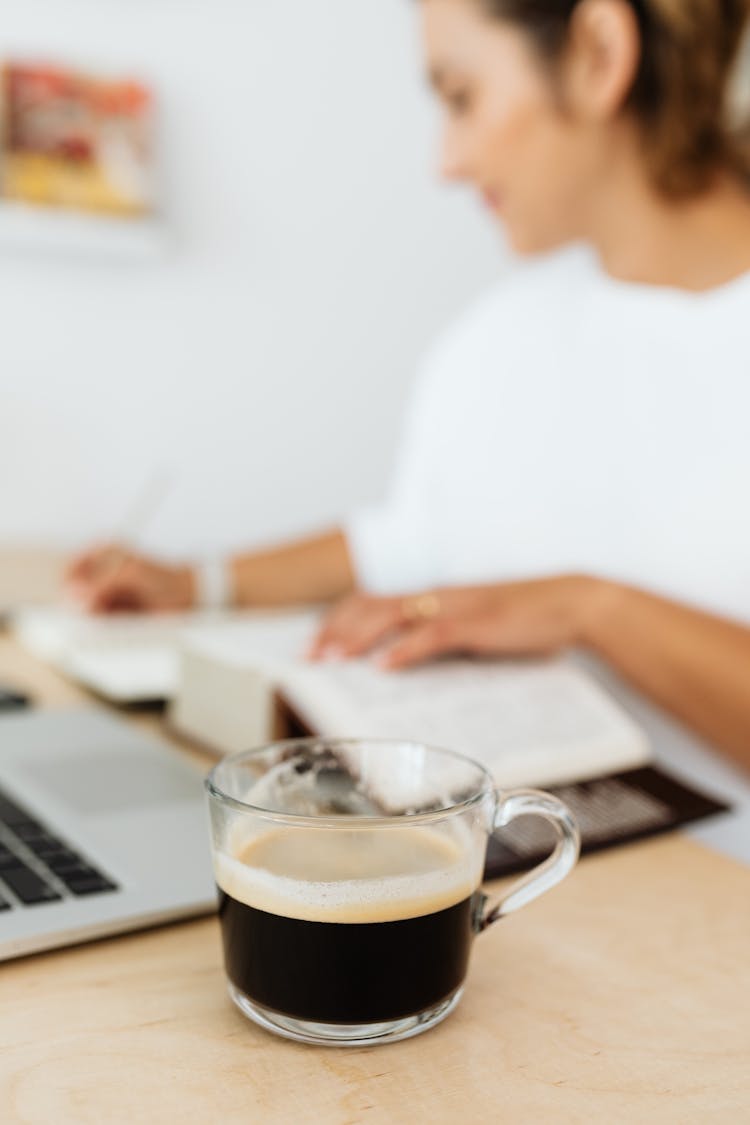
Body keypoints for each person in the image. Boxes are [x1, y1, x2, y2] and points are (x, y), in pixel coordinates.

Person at [68, 0, 750, 769]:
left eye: (461, 97)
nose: (445, 163)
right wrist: (199, 581)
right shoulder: (500, 336)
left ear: (599, 52)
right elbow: (417, 537)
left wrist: (590, 608)